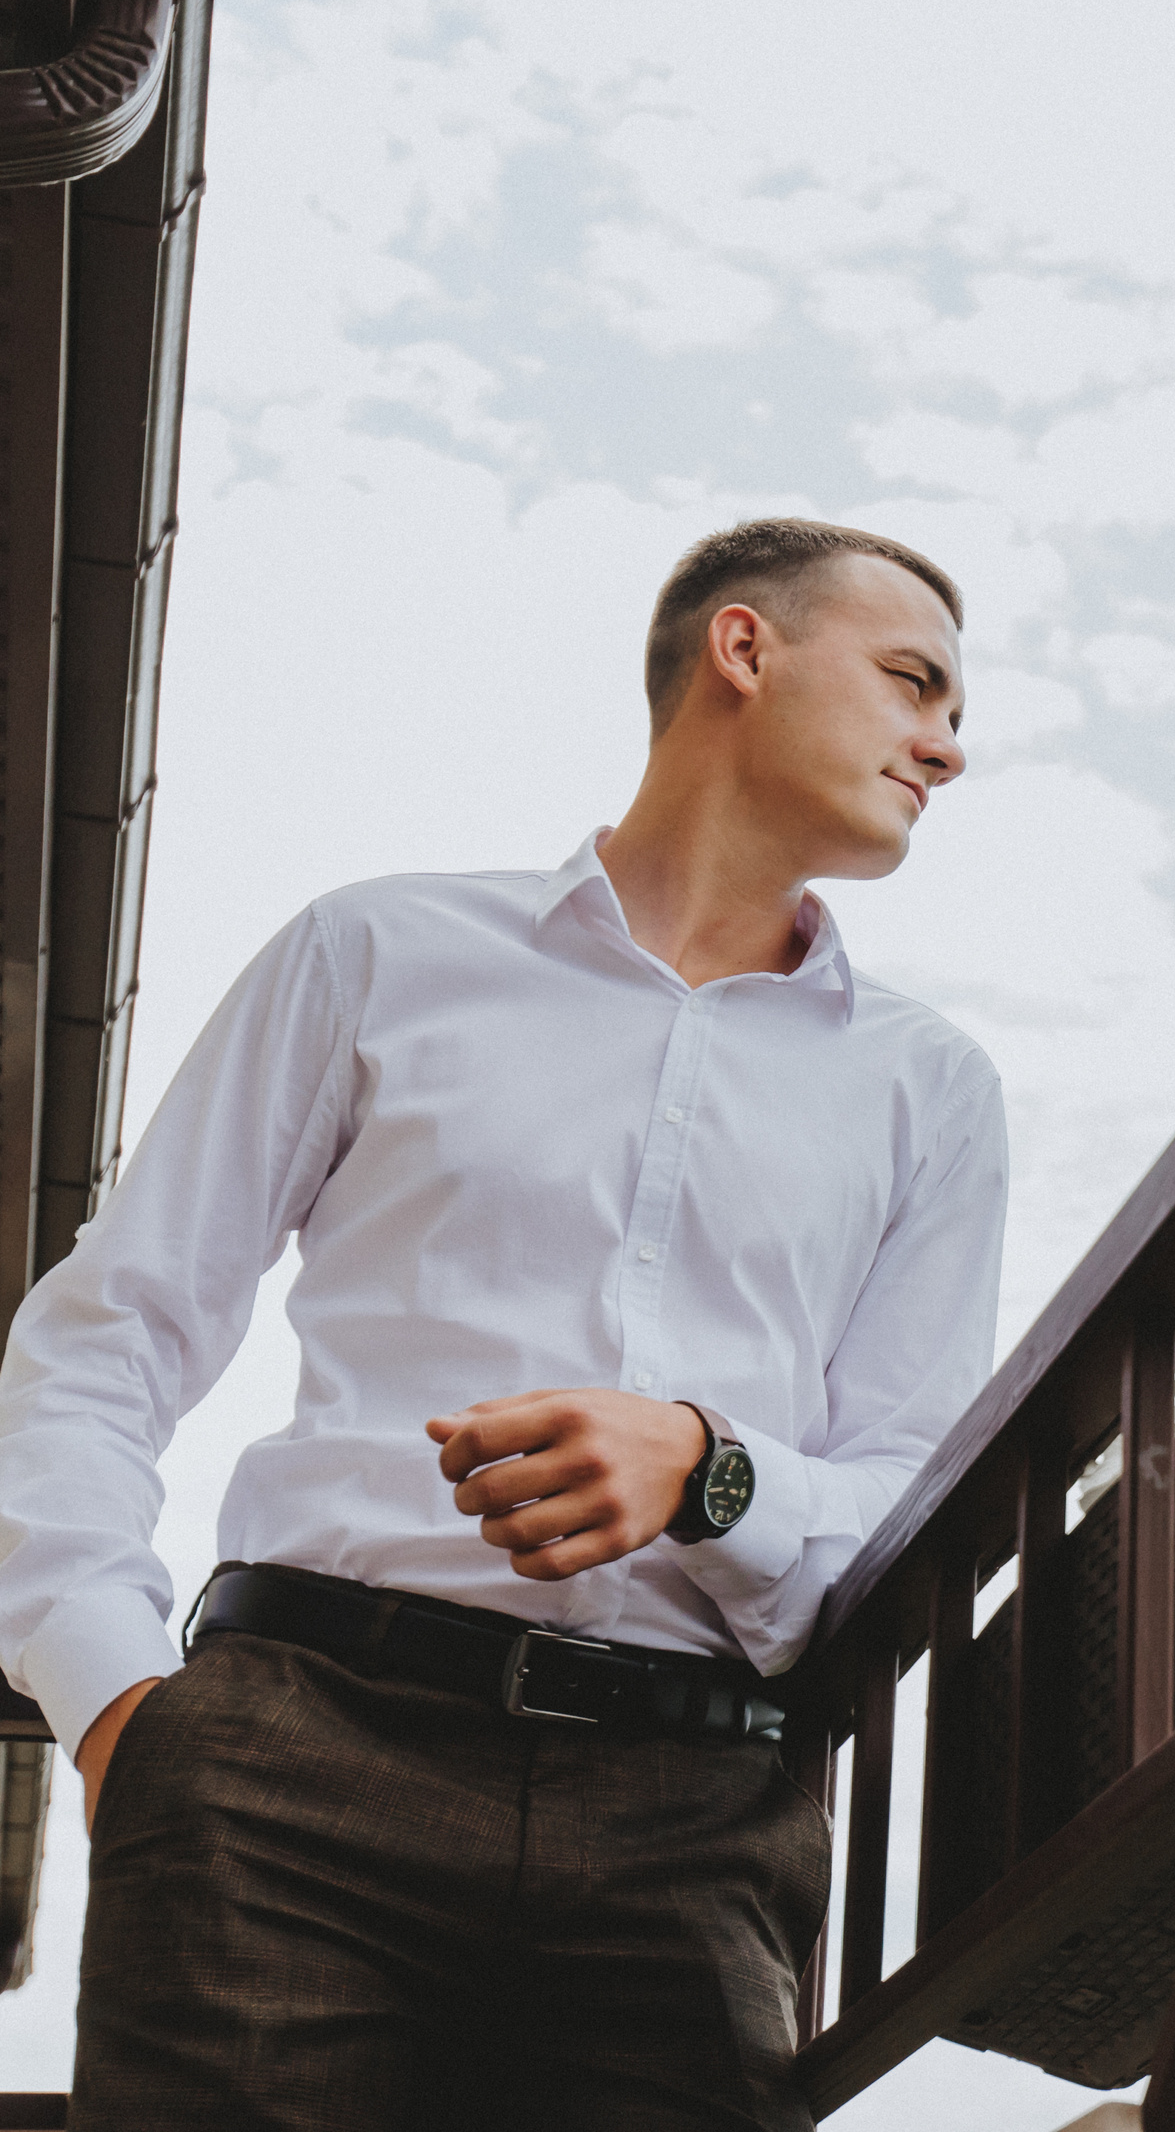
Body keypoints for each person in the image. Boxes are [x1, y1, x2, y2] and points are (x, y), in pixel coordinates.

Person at [0, 518, 1007, 2128]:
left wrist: (711, 1468)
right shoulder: (376, 952)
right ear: (744, 651)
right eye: (915, 684)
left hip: (693, 1828)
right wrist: (119, 1704)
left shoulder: (931, 1094)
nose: (949, 748)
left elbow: (911, 1483)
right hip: (293, 1772)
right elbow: (107, 1333)